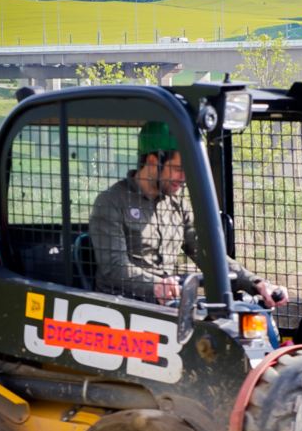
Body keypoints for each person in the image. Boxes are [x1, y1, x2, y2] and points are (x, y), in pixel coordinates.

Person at [89, 122, 288, 307]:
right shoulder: (111, 202)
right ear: (152, 160)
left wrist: (256, 283)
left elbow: (208, 254)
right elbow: (114, 267)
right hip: (122, 308)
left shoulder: (177, 206)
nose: (183, 178)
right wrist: (156, 285)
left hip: (167, 305)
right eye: (177, 169)